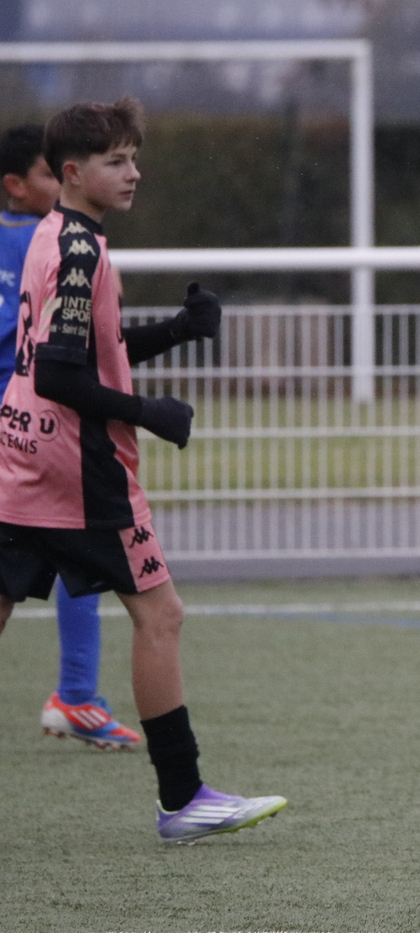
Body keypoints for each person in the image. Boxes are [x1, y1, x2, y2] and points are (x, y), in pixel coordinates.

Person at [0, 97, 286, 844]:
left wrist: (179, 330)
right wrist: (150, 412)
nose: (133, 173)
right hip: (80, 471)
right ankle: (184, 797)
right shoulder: (81, 250)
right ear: (72, 172)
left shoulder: (51, 232)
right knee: (161, 616)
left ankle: (185, 796)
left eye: (133, 158)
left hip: (20, 455)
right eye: (116, 161)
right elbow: (62, 374)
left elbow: (87, 351)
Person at [0, 123, 140, 751]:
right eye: (47, 173)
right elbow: (72, 352)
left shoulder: (44, 237)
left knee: (57, 561)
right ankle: (78, 695)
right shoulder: (58, 242)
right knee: (89, 558)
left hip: (21, 427)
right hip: (40, 432)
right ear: (16, 184)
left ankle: (78, 694)